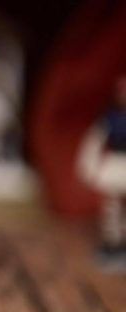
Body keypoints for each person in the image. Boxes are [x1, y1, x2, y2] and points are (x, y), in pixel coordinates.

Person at [77, 76, 126, 268]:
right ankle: (113, 241)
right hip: (115, 163)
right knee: (111, 207)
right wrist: (88, 164)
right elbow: (94, 141)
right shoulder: (109, 118)